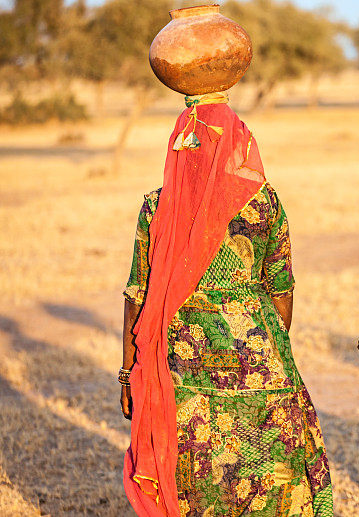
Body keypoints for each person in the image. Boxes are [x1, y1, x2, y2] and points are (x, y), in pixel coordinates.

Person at [120, 92, 332, 516]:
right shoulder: (263, 202)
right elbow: (282, 289)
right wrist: (263, 348)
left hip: (181, 366)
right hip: (261, 361)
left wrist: (129, 372)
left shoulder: (158, 206)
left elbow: (136, 298)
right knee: (271, 476)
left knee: (195, 481)